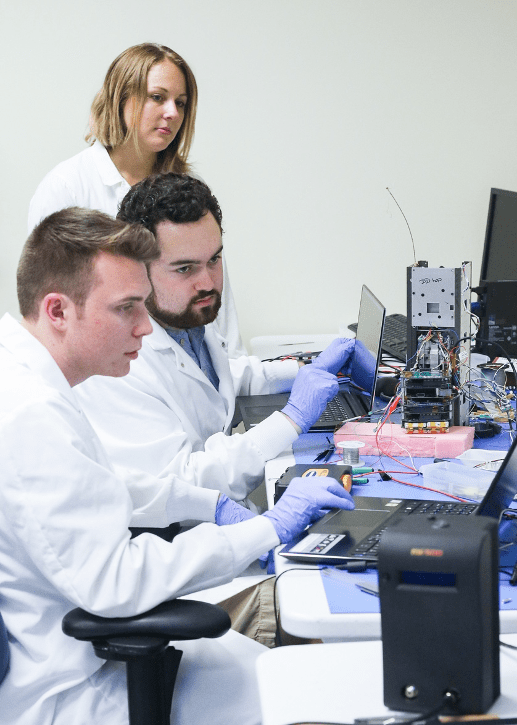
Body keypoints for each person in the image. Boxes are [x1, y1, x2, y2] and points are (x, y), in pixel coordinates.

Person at [0, 206, 355, 725]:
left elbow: (94, 483)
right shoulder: (32, 414)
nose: (146, 327)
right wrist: (264, 529)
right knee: (315, 699)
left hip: (92, 647)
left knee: (303, 677)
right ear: (57, 310)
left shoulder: (25, 376)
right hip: (79, 684)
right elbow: (116, 583)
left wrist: (204, 502)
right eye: (126, 308)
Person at [76, 173, 357, 505]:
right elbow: (184, 484)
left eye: (214, 259)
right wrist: (291, 418)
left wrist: (305, 370)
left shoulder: (187, 318)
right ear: (137, 268)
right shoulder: (115, 364)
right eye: (184, 269)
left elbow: (214, 382)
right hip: (175, 540)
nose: (207, 282)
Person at [27, 41, 246, 357]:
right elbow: (53, 314)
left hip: (193, 372)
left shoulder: (188, 186)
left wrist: (236, 365)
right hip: (106, 384)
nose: (172, 113)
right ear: (121, 99)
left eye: (181, 103)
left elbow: (212, 285)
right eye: (158, 97)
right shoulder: (67, 188)